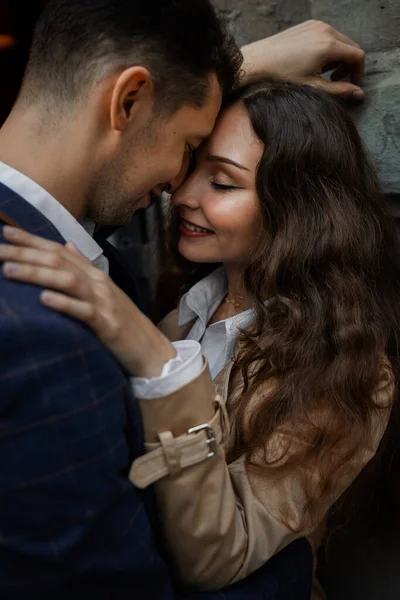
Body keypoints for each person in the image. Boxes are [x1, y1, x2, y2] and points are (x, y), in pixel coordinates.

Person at [0, 0, 368, 598]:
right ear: (127, 101)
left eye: (218, 178)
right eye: (188, 149)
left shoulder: (339, 356)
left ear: (295, 209)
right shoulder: (47, 330)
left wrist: (210, 81)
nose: (178, 187)